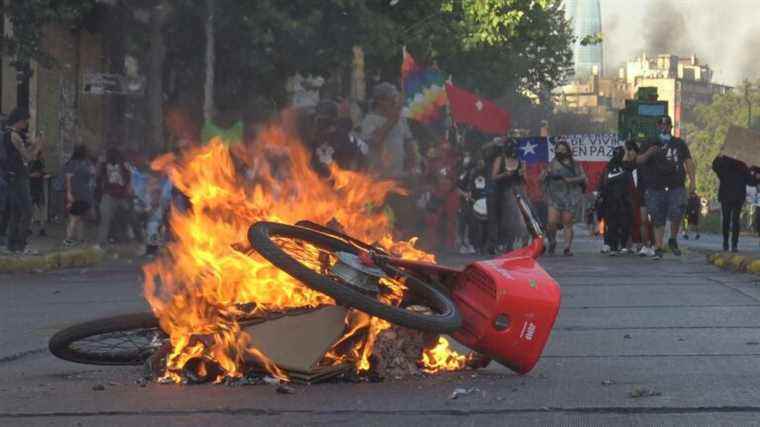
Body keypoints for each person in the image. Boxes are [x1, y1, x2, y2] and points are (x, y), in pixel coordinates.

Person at [636, 116, 695, 260]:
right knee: (657, 217)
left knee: (677, 211)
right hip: (656, 186)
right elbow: (638, 160)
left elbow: (688, 161)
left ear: (671, 127)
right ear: (658, 127)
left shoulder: (679, 143)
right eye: (661, 125)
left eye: (667, 125)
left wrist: (693, 181)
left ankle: (673, 239)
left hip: (676, 185)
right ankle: (658, 246)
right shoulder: (650, 142)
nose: (664, 127)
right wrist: (649, 152)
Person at [2, 109, 42, 254]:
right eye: (25, 121)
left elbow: (21, 154)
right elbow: (28, 158)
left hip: (13, 177)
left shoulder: (9, 135)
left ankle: (11, 245)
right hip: (19, 177)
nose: (26, 124)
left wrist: (31, 146)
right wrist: (38, 146)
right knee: (27, 211)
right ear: (19, 121)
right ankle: (20, 244)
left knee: (16, 211)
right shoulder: (15, 136)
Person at [360, 82, 418, 180]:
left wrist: (413, 164)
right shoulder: (369, 120)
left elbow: (409, 142)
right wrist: (391, 121)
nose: (395, 103)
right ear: (380, 101)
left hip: (399, 175)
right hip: (379, 177)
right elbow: (375, 140)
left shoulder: (401, 119)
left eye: (395, 99)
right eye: (391, 100)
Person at [540, 140, 587, 256]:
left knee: (567, 222)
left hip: (570, 197)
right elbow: (541, 178)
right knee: (551, 222)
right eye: (558, 149)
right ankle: (552, 240)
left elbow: (583, 177)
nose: (560, 151)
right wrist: (545, 173)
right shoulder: (552, 163)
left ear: (568, 151)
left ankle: (567, 248)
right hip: (554, 196)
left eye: (562, 149)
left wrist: (570, 180)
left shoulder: (574, 164)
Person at [308, 100, 367, 177]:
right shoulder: (313, 139)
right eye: (317, 119)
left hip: (339, 183)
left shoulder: (344, 138)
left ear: (331, 120)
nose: (317, 122)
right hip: (314, 183)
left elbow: (362, 151)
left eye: (321, 119)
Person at [712, 155, 758, 252]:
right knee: (735, 220)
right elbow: (751, 182)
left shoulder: (724, 167)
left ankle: (725, 243)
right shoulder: (743, 168)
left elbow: (715, 167)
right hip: (738, 197)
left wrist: (718, 158)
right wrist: (757, 176)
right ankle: (734, 245)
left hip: (726, 197)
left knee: (726, 220)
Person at [491, 138, 528, 252]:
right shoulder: (500, 159)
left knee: (518, 217)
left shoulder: (521, 161)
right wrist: (505, 174)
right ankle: (507, 243)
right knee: (506, 219)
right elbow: (494, 177)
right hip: (503, 191)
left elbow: (525, 179)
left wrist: (522, 174)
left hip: (517, 191)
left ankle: (523, 241)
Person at [95, 147, 135, 249]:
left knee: (129, 217)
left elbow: (131, 173)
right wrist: (99, 163)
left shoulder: (123, 163)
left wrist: (129, 186)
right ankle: (101, 242)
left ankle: (131, 238)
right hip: (109, 194)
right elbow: (97, 175)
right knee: (105, 218)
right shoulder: (103, 164)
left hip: (122, 195)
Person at [598, 146, 633, 255]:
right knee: (612, 224)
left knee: (624, 224)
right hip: (611, 200)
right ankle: (612, 246)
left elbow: (630, 182)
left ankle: (622, 245)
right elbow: (603, 183)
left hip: (624, 199)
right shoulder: (608, 167)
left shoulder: (627, 167)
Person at [63, 145, 95, 247]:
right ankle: (79, 239)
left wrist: (69, 193)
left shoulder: (72, 164)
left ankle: (70, 239)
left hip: (76, 193)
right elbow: (93, 174)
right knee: (80, 218)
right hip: (85, 194)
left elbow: (68, 179)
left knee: (74, 217)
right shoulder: (86, 164)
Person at [28, 148, 48, 236]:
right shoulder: (36, 162)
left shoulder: (36, 162)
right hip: (35, 188)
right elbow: (38, 174)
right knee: (37, 209)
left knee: (37, 209)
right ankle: (38, 228)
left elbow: (38, 174)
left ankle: (39, 228)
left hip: (35, 188)